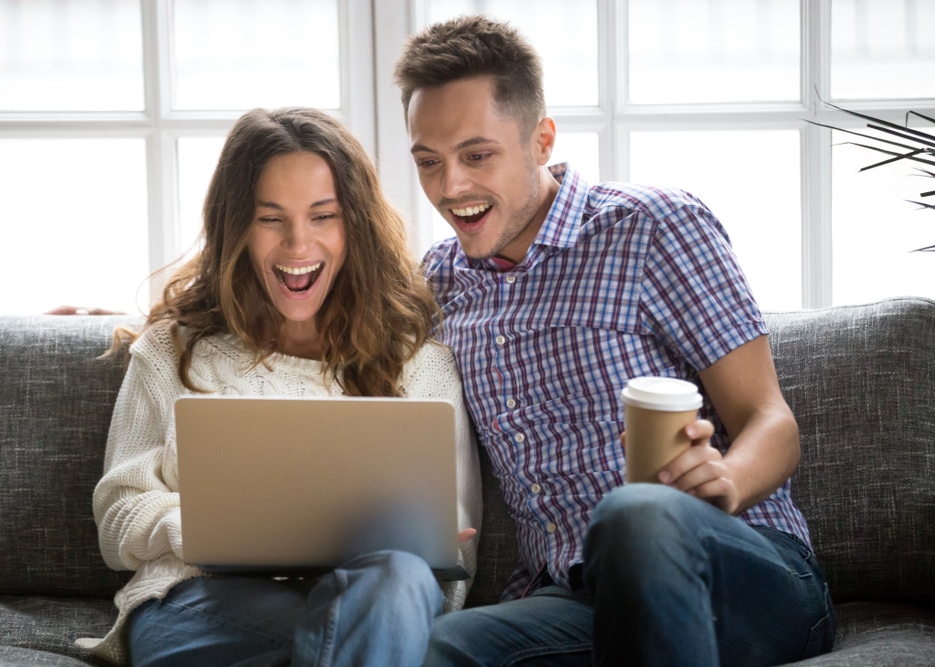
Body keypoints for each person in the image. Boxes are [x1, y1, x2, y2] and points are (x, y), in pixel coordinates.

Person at [393, 15, 834, 666]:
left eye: (477, 154)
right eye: (429, 162)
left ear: (541, 139)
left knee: (634, 514)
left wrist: (726, 481)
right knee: (449, 646)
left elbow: (773, 422)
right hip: (579, 598)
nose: (450, 187)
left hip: (738, 572)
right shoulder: (439, 281)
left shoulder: (654, 227)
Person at [75, 107, 480, 666]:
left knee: (396, 580)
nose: (297, 245)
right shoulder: (174, 351)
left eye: (323, 216)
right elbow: (118, 519)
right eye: (271, 219)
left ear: (354, 224)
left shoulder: (421, 365)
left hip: (373, 605)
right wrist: (207, 528)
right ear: (235, 226)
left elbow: (454, 554)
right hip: (203, 604)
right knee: (365, 637)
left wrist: (407, 567)